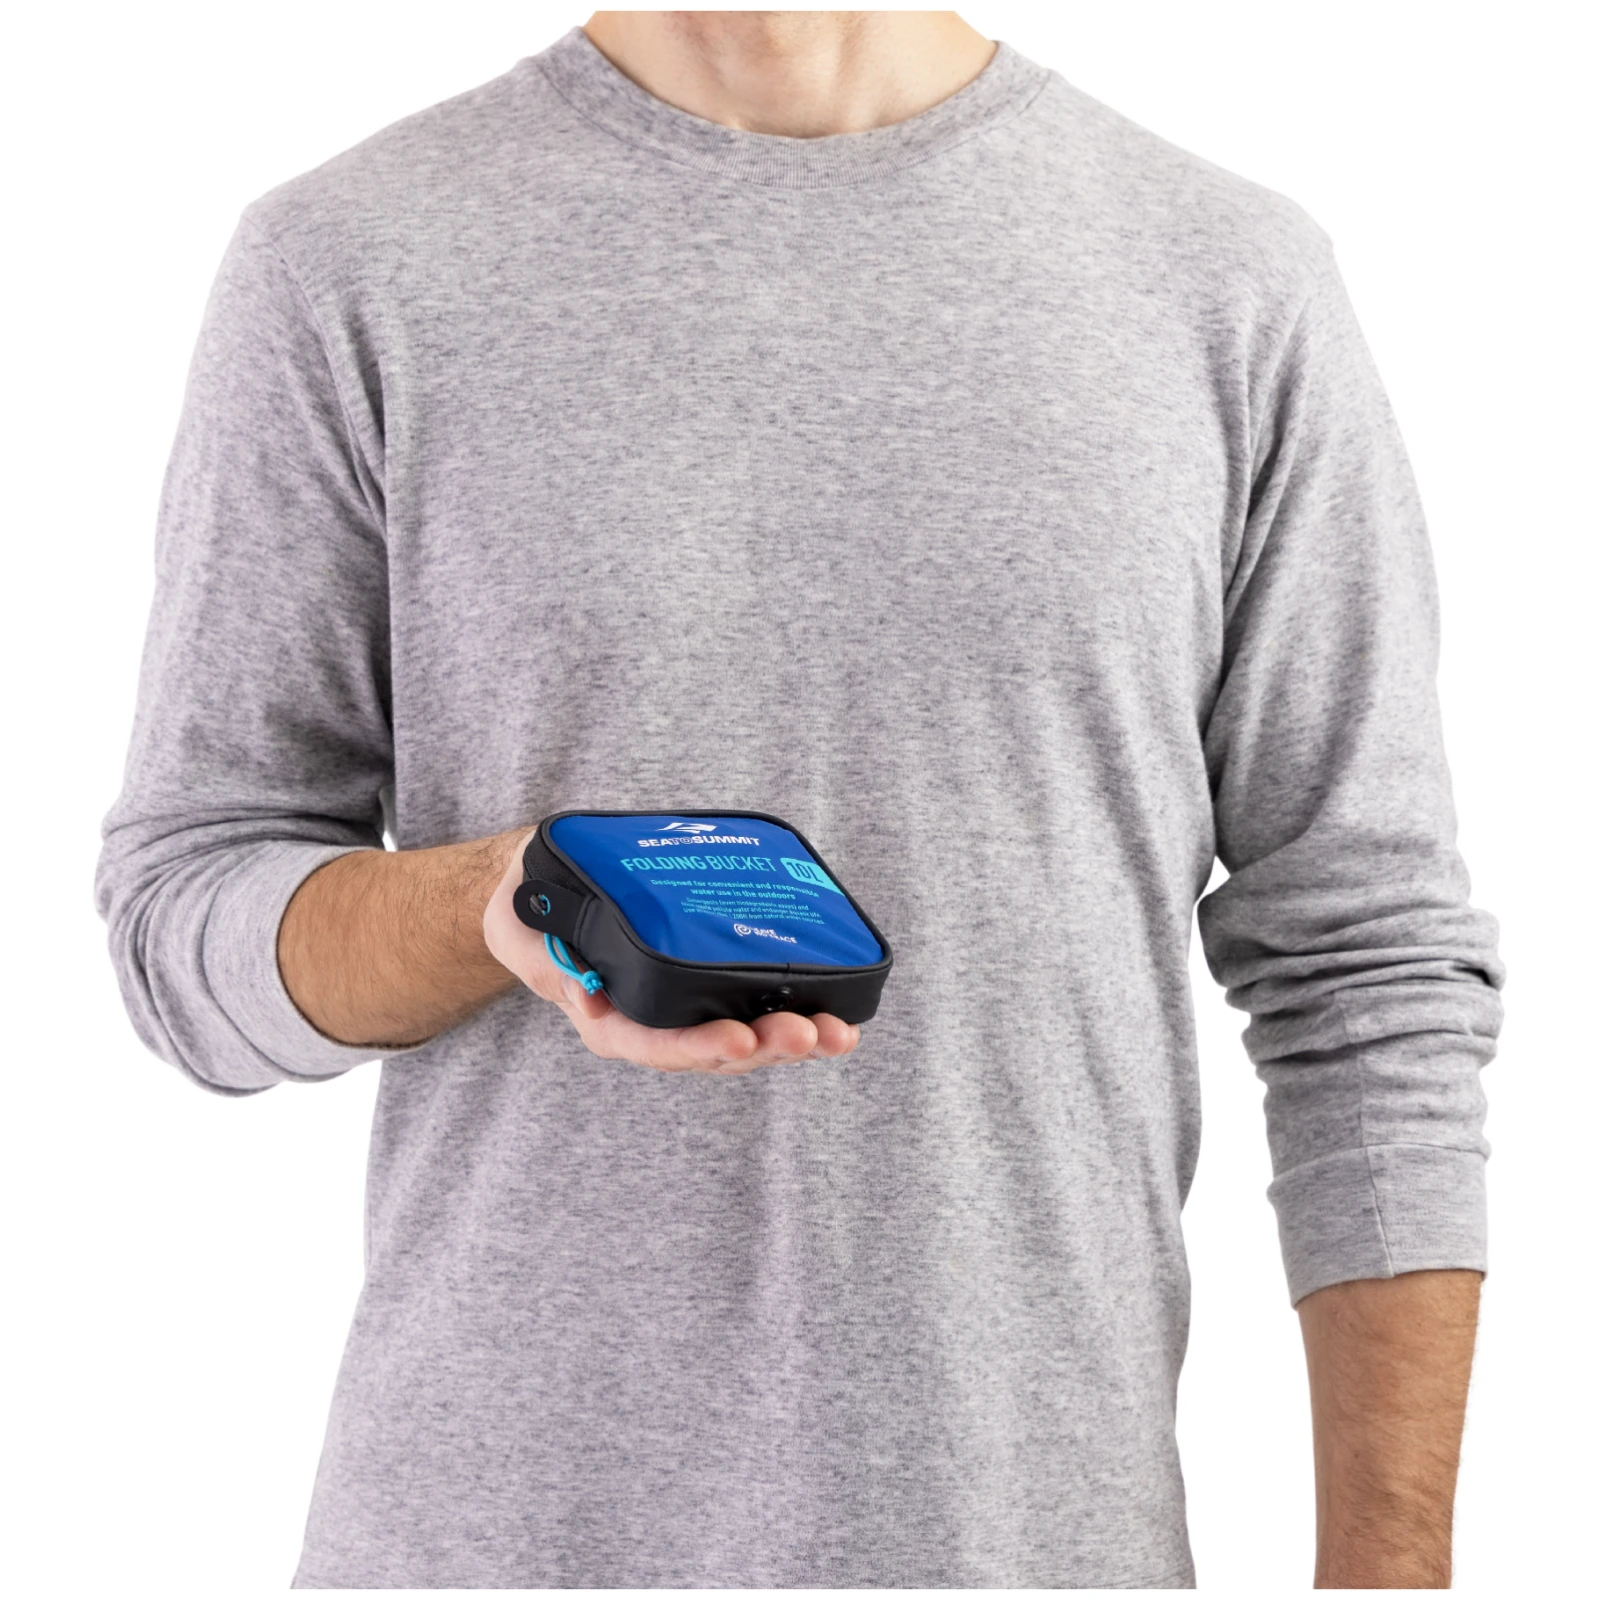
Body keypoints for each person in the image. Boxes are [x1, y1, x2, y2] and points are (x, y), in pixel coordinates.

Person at [95, 10, 1503, 1589]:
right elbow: (181, 928)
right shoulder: (345, 262)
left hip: (1023, 1547)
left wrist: (1389, 1575)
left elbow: (1368, 977)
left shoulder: (1229, 280)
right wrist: (494, 904)